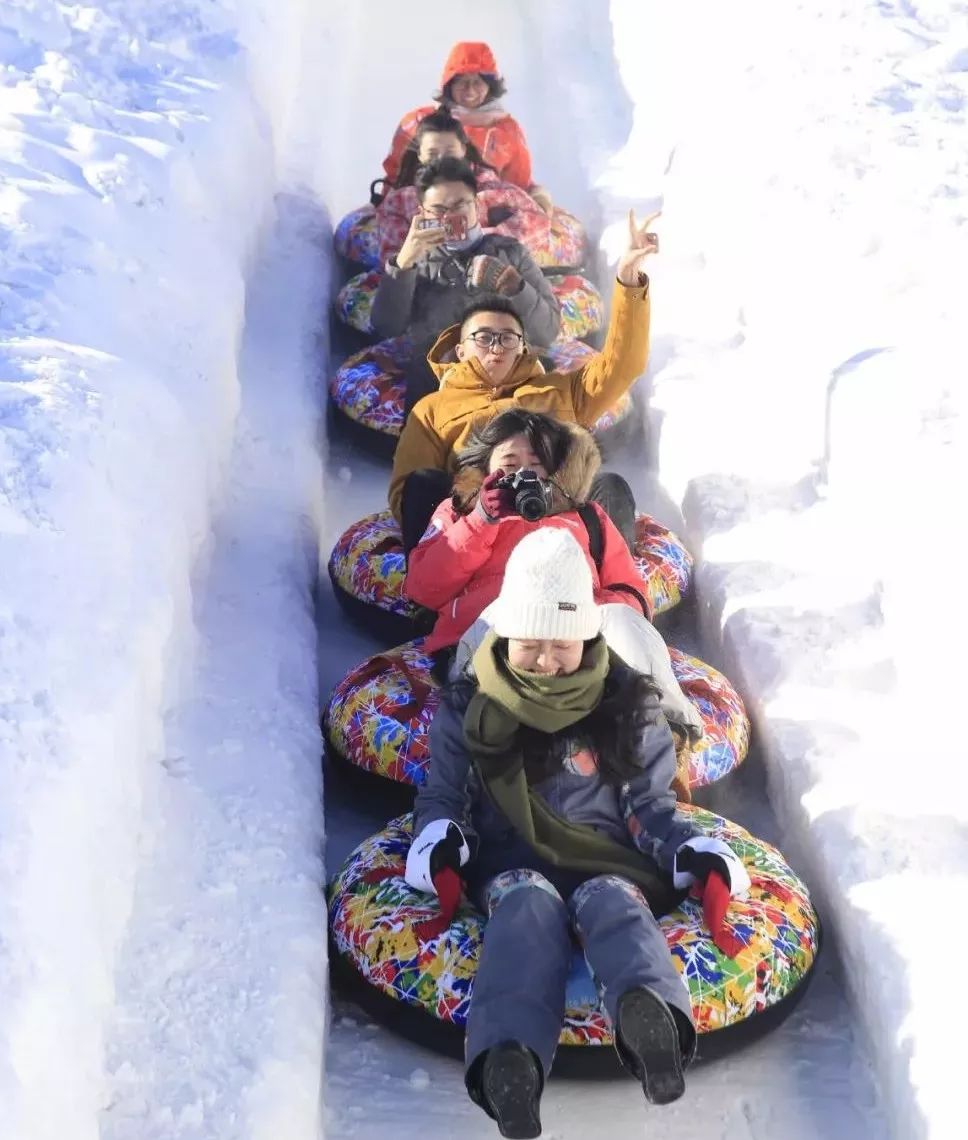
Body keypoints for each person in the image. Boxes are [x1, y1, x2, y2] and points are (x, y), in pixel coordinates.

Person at [405, 529, 751, 1137]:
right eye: (529, 643)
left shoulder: (626, 702)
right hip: (508, 858)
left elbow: (648, 805)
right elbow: (444, 793)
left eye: (561, 644)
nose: (544, 660)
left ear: (588, 635)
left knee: (616, 904)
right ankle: (509, 1061)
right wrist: (443, 840)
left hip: (608, 859)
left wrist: (686, 848)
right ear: (505, 633)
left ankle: (653, 1023)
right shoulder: (471, 703)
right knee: (526, 907)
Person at [404, 410, 704, 746]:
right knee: (506, 612)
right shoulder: (459, 512)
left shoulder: (587, 517)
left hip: (574, 639)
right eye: (509, 461)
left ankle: (666, 731)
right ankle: (486, 736)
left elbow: (629, 591)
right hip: (495, 633)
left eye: (535, 464)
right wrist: (481, 521)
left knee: (621, 619)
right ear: (486, 464)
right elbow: (422, 589)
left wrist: (577, 611)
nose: (522, 473)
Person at [387, 208, 659, 535]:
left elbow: (623, 364)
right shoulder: (432, 411)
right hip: (475, 530)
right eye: (483, 337)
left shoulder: (561, 391)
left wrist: (628, 278)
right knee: (423, 484)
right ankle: (434, 581)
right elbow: (407, 494)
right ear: (460, 351)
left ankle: (605, 582)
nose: (497, 346)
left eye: (508, 338)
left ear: (523, 347)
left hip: (557, 525)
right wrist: (476, 506)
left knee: (610, 487)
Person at [370, 157, 561, 412]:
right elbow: (386, 325)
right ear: (423, 213)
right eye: (439, 209)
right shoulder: (415, 261)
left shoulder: (511, 253)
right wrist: (403, 264)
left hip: (504, 366)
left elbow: (547, 331)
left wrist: (516, 288)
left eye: (460, 204)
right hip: (440, 379)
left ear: (478, 204)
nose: (451, 216)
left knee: (545, 382)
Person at [382, 41, 551, 209]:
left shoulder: (507, 130)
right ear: (449, 85)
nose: (470, 90)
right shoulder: (419, 121)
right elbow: (394, 174)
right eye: (461, 82)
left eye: (477, 82)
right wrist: (387, 207)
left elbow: (518, 184)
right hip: (422, 208)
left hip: (487, 212)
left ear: (490, 86)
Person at [375, 111, 554, 268]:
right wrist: (416, 251)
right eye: (432, 153)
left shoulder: (497, 191)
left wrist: (476, 239)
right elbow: (390, 258)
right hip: (431, 284)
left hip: (494, 276)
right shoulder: (399, 201)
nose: (442, 159)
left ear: (463, 149)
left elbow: (537, 225)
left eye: (450, 151)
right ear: (420, 155)